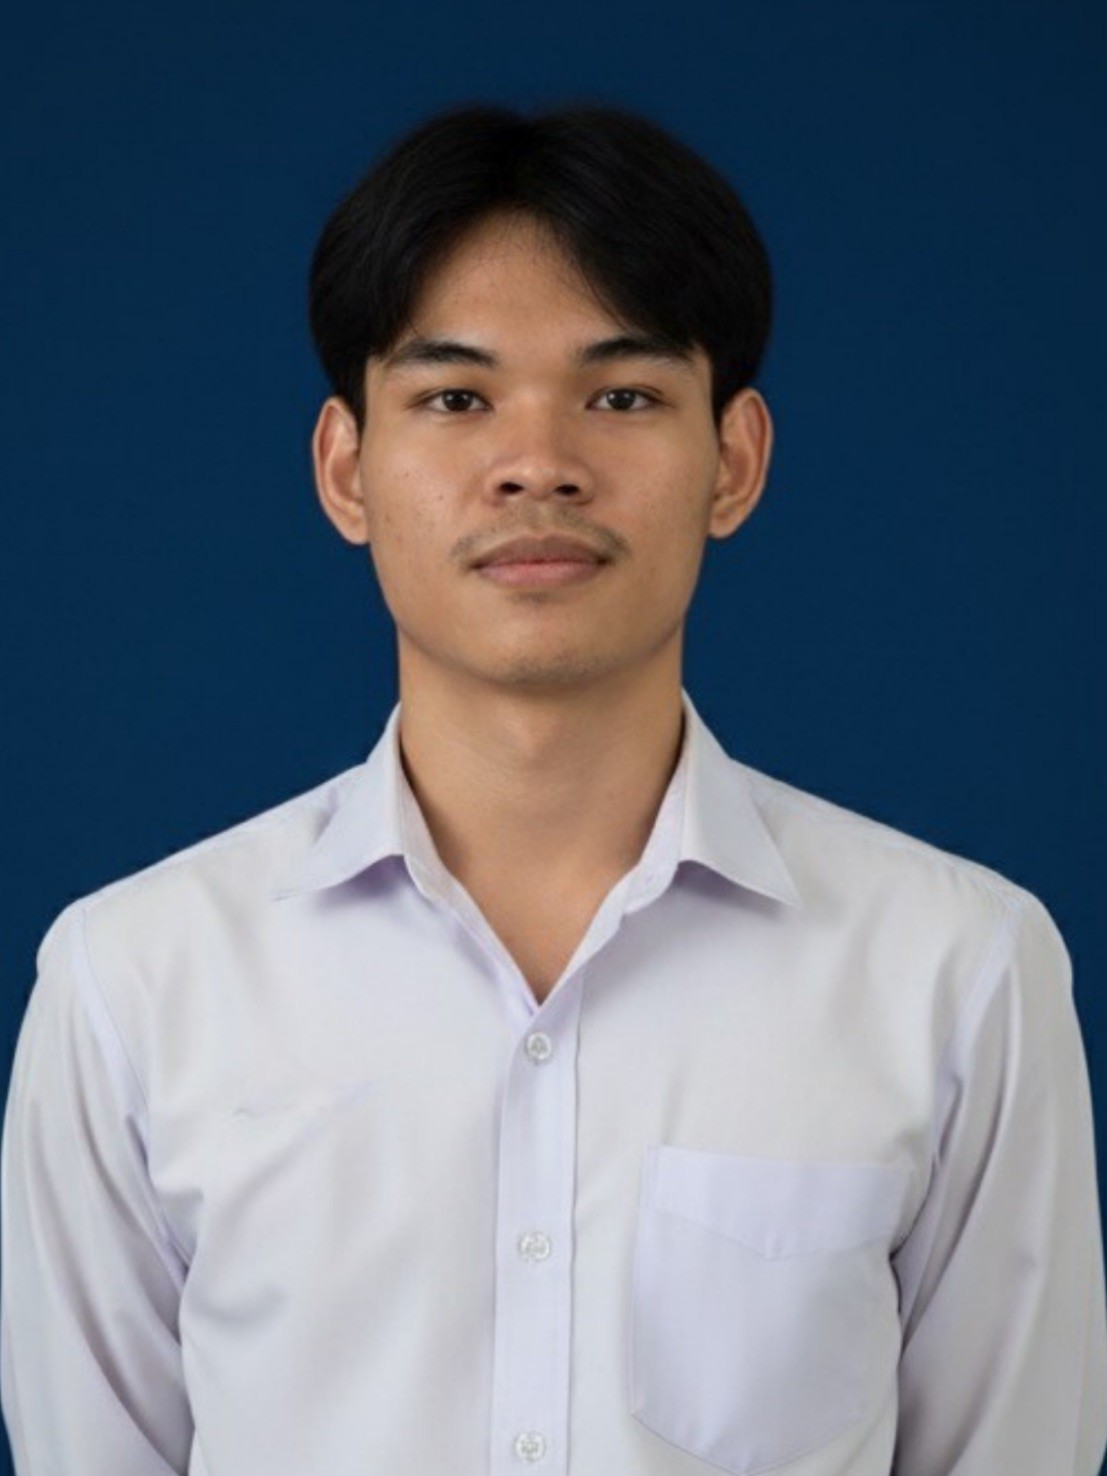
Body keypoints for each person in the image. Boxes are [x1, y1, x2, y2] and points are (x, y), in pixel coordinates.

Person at [1, 100, 1104, 1476]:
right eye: (456, 399)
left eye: (622, 396)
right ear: (347, 467)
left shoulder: (958, 969)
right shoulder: (134, 984)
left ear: (735, 461)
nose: (539, 463)